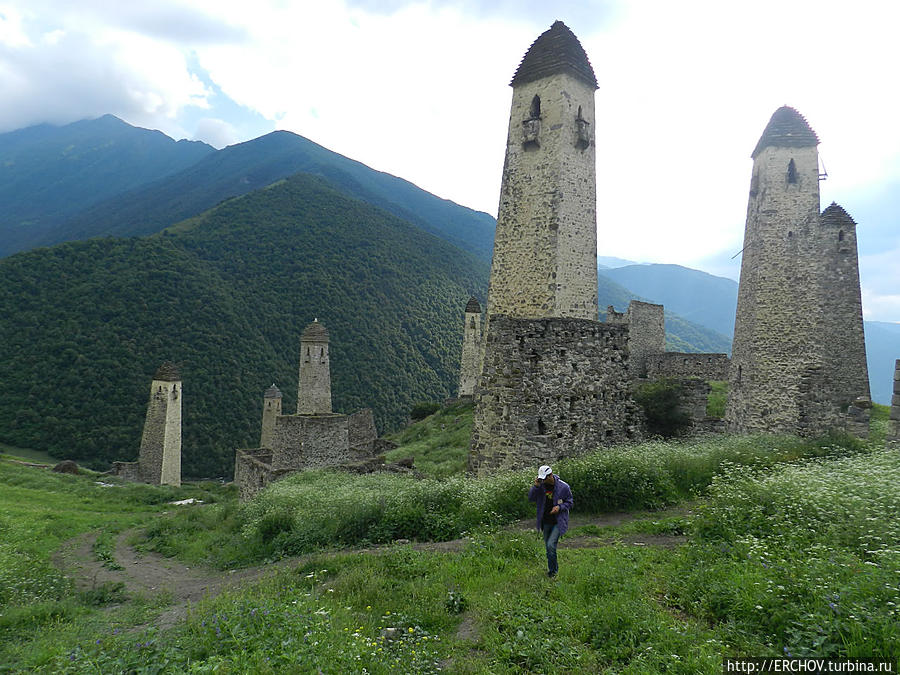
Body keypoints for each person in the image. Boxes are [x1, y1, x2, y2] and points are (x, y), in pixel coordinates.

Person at [528, 464, 573, 578]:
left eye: (544, 479)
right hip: (545, 521)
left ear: (551, 475)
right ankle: (552, 570)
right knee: (548, 548)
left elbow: (570, 502)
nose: (543, 481)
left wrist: (559, 507)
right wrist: (536, 487)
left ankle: (553, 572)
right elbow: (531, 498)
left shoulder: (564, 487)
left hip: (558, 521)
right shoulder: (541, 487)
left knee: (551, 545)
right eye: (541, 479)